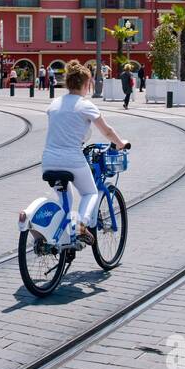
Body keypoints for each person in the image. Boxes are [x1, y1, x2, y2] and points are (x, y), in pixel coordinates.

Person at [41, 61, 129, 246]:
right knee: (90, 193)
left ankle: (62, 238)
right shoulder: (85, 105)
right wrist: (120, 143)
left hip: (48, 160)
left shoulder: (55, 103)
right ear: (86, 84)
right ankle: (80, 226)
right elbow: (107, 131)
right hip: (72, 160)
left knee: (66, 199)